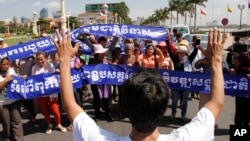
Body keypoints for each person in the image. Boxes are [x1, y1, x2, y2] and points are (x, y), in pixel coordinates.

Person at [51, 27, 226, 141]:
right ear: (164, 107)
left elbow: (70, 105)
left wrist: (65, 60)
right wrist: (216, 60)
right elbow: (216, 102)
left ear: (125, 108)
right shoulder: (190, 137)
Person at [0, 57, 23, 141]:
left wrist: (22, 78)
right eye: (4, 64)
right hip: (2, 103)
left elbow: (17, 81)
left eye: (7, 64)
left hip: (14, 100)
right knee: (6, 124)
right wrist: (6, 80)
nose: (6, 66)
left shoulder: (11, 70)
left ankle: (19, 139)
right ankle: (7, 137)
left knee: (17, 121)